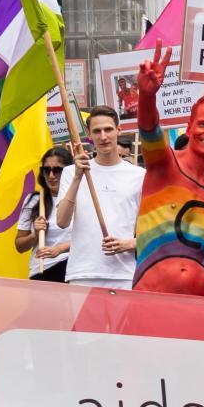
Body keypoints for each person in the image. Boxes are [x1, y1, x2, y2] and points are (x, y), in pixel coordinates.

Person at [132, 48, 204, 295]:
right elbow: (150, 129)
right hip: (151, 299)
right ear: (189, 128)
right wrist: (147, 96)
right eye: (203, 124)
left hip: (200, 300)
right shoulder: (164, 163)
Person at [56, 105, 145, 289]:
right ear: (89, 134)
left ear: (119, 130)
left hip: (123, 275)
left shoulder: (139, 175)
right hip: (82, 273)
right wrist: (78, 177)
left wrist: (128, 244)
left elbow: (153, 232)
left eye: (108, 129)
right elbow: (62, 221)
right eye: (97, 131)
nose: (103, 137)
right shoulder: (71, 172)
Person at [14, 146, 75, 282]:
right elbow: (19, 246)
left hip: (73, 271)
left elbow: (90, 239)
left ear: (69, 171)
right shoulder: (35, 200)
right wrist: (34, 234)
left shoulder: (82, 198)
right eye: (46, 170)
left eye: (57, 170)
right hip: (42, 271)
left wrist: (59, 249)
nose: (51, 176)